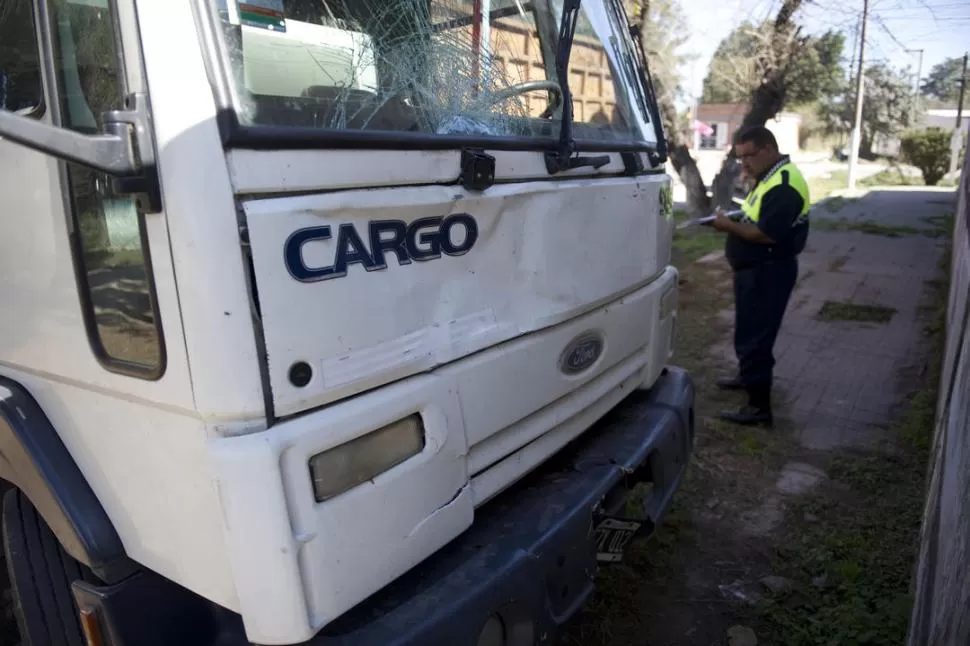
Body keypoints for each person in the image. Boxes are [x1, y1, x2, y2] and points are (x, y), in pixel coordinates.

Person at [710, 125, 810, 427]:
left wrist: (728, 227)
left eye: (748, 157)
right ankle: (747, 377)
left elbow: (766, 234)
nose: (744, 164)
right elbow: (756, 215)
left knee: (756, 339)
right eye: (740, 158)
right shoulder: (767, 177)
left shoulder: (783, 184)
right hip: (754, 272)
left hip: (768, 273)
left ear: (768, 149)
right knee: (747, 332)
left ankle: (758, 407)